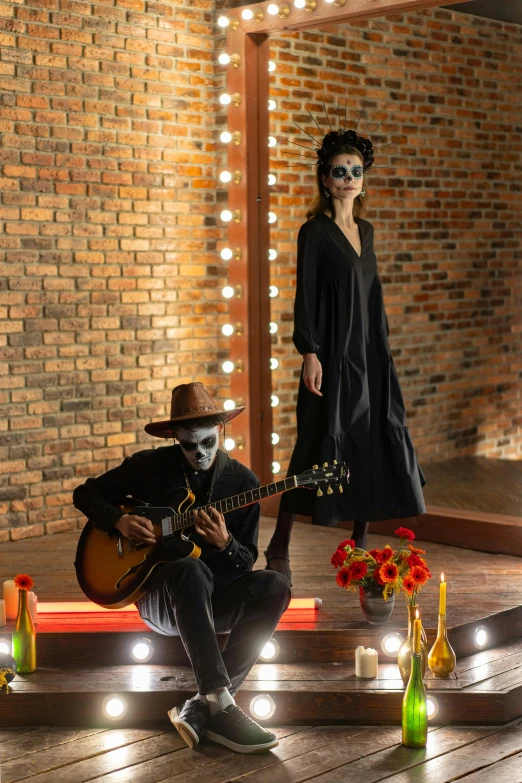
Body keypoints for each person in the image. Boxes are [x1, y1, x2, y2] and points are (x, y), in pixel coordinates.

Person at [73, 382, 291, 754]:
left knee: (275, 586)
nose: (200, 453)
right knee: (191, 570)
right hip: (162, 600)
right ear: (175, 437)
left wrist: (225, 544)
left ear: (220, 431)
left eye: (208, 442)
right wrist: (119, 522)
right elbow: (85, 493)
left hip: (213, 602)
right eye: (189, 445)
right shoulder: (148, 466)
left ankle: (205, 704)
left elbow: (245, 563)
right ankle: (223, 709)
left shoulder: (243, 483)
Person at [265, 118, 426, 584]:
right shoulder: (312, 232)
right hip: (331, 357)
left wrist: (384, 356)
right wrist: (309, 352)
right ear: (324, 178)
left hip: (370, 357)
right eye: (340, 171)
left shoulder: (368, 231)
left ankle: (358, 551)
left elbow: (373, 296)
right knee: (317, 448)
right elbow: (305, 296)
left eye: (356, 171)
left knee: (368, 444)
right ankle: (279, 545)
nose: (349, 179)